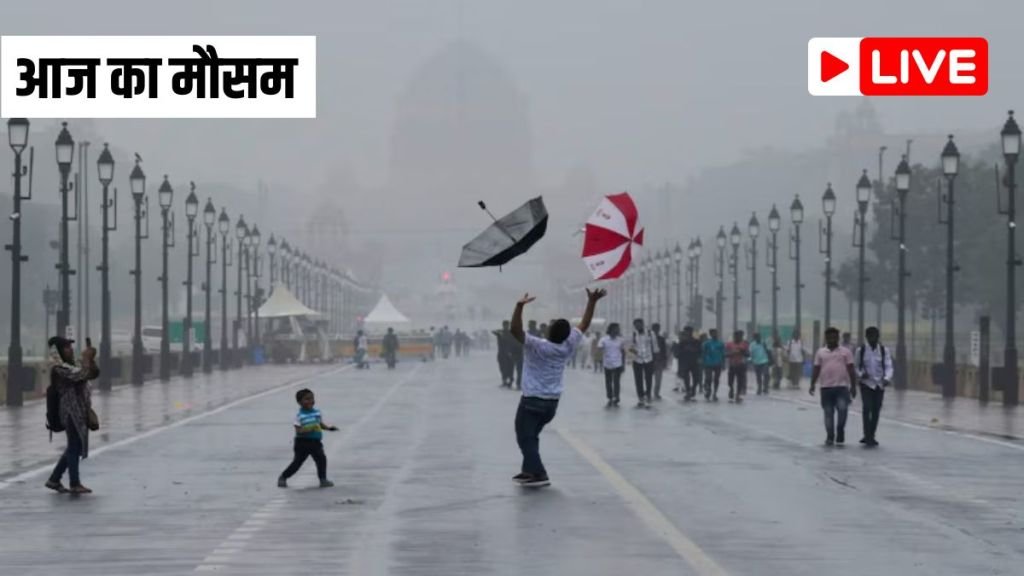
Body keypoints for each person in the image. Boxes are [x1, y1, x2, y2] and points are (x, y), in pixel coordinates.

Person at [510, 288, 604, 487]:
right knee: (532, 435)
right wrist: (592, 302)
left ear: (550, 331)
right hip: (551, 404)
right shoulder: (567, 345)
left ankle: (538, 472)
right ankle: (528, 470)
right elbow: (584, 324)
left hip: (532, 401)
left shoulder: (538, 345)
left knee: (524, 436)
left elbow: (515, 331)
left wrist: (519, 307)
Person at [45, 337, 100, 495]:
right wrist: (87, 359)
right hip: (69, 411)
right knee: (74, 446)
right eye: (66, 347)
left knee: (73, 446)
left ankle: (54, 479)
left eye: (70, 346)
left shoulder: (73, 364)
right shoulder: (58, 369)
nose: (70, 349)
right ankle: (74, 483)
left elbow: (92, 374)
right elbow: (80, 375)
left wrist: (91, 360)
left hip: (80, 410)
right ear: (58, 351)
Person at [278, 389, 339, 488]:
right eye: (307, 399)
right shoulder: (299, 416)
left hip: (315, 442)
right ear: (299, 402)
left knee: (321, 459)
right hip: (302, 443)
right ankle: (283, 477)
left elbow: (320, 424)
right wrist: (310, 428)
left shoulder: (317, 412)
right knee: (297, 462)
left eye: (312, 398)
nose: (310, 401)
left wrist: (329, 428)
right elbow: (299, 431)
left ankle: (323, 480)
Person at [809, 327, 858, 446]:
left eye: (834, 336)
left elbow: (851, 369)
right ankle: (830, 435)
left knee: (842, 410)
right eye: (829, 337)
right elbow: (816, 369)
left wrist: (853, 386)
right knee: (828, 413)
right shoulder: (820, 352)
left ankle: (840, 430)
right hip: (826, 388)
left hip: (842, 387)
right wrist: (812, 384)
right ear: (826, 338)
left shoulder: (846, 352)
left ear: (838, 337)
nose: (832, 339)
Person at [855, 326, 892, 447]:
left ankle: (871, 434)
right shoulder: (861, 350)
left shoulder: (883, 350)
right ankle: (867, 435)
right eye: (870, 336)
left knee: (876, 410)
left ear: (878, 337)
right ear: (866, 337)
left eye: (875, 336)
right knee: (867, 408)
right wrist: (861, 374)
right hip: (866, 384)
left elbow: (888, 366)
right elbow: (856, 367)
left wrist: (887, 378)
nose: (873, 339)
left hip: (879, 385)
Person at [629, 318, 657, 408]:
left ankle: (648, 394)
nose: (638, 326)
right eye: (636, 325)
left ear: (642, 324)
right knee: (638, 379)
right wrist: (635, 352)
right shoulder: (633, 335)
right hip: (637, 360)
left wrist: (655, 359)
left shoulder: (650, 333)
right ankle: (640, 396)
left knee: (649, 378)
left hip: (649, 359)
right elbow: (630, 347)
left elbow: (655, 347)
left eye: (639, 324)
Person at [599, 323, 626, 407]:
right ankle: (610, 396)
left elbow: (623, 352)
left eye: (618, 329)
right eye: (616, 329)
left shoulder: (621, 340)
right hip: (607, 363)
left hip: (618, 364)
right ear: (611, 329)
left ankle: (616, 396)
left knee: (616, 381)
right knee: (608, 382)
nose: (617, 330)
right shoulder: (604, 340)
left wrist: (623, 364)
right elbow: (599, 348)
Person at [675, 327, 702, 401]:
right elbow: (678, 353)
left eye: (689, 331)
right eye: (686, 331)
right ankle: (688, 391)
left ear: (691, 332)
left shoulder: (696, 341)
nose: (687, 333)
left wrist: (693, 351)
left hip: (694, 362)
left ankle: (693, 388)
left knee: (696, 378)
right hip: (685, 362)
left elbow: (700, 351)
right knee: (686, 378)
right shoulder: (682, 342)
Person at [725, 330, 750, 403]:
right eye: (736, 336)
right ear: (734, 336)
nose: (738, 337)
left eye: (740, 336)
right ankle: (731, 389)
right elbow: (725, 354)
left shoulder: (744, 344)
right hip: (732, 365)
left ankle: (738, 395)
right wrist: (731, 353)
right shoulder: (729, 344)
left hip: (741, 365)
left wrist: (743, 351)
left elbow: (748, 354)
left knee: (740, 381)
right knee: (730, 381)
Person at [701, 329, 725, 401]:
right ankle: (708, 389)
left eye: (716, 333)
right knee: (708, 378)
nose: (715, 334)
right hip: (708, 363)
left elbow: (723, 354)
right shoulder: (706, 344)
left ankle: (715, 393)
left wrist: (723, 364)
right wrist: (703, 362)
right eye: (713, 333)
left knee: (716, 379)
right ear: (710, 334)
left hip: (718, 363)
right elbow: (703, 353)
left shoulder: (720, 343)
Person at [493, 321, 515, 387]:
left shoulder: (511, 333)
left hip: (509, 353)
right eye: (505, 325)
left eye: (507, 325)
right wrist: (500, 332)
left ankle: (510, 381)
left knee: (510, 368)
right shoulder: (500, 333)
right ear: (503, 325)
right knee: (502, 368)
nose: (506, 326)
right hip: (501, 353)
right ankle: (504, 381)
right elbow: (493, 331)